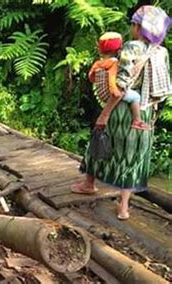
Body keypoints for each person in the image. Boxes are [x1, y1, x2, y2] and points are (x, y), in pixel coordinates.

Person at [72, 5, 171, 220]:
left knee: (100, 139)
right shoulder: (161, 52)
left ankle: (89, 184)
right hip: (144, 112)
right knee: (132, 156)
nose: (131, 28)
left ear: (138, 27)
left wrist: (105, 113)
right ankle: (124, 207)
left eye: (133, 25)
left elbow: (122, 84)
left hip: (121, 109)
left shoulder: (132, 48)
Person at [88, 32, 150, 130]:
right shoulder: (114, 63)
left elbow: (91, 77)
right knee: (136, 97)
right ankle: (137, 120)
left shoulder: (98, 63)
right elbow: (112, 80)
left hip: (100, 92)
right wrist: (116, 93)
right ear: (118, 49)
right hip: (111, 93)